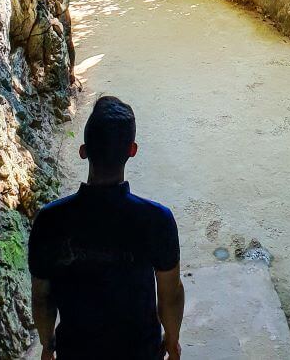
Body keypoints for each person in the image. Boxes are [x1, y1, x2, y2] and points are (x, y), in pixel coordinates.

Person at [28, 96, 184, 359]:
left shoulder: (50, 220)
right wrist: (172, 339)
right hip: (141, 352)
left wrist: (47, 344)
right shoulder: (157, 219)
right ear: (132, 150)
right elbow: (170, 294)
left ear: (83, 150)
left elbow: (41, 296)